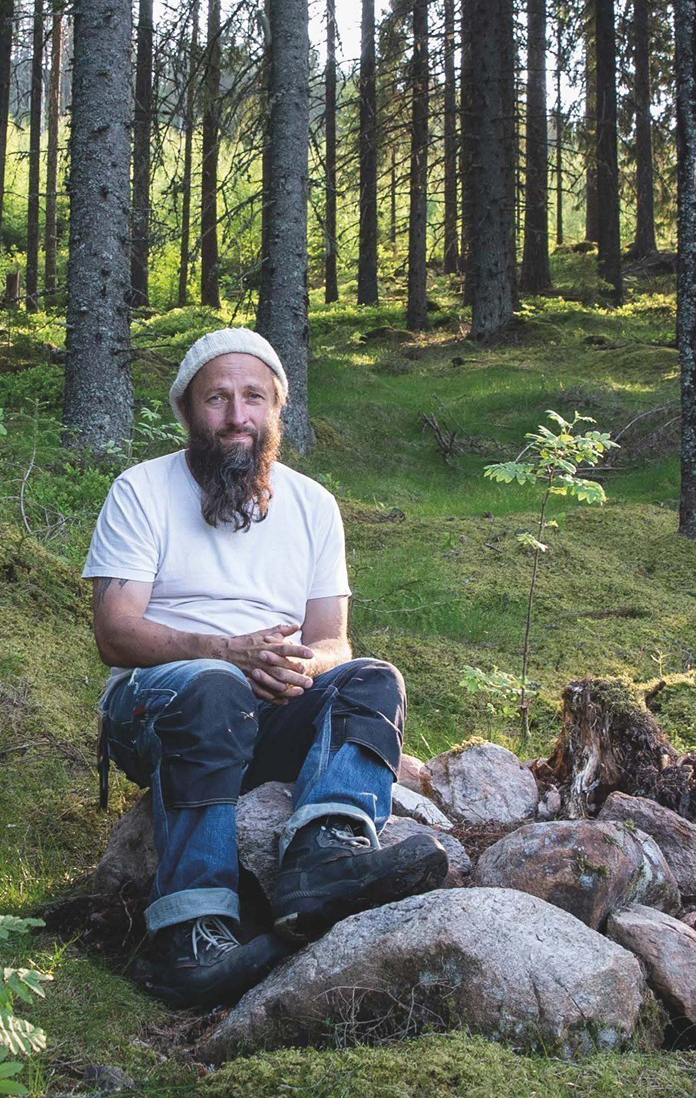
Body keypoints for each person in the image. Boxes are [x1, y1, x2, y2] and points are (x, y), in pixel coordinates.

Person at [84, 328, 446, 1009]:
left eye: (253, 397)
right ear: (187, 410)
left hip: (269, 705)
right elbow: (115, 631)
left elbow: (333, 641)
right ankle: (190, 936)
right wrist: (226, 653)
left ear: (278, 408)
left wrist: (298, 667)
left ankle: (325, 853)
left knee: (374, 678)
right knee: (215, 686)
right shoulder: (141, 490)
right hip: (157, 710)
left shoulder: (313, 504)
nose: (236, 416)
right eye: (216, 398)